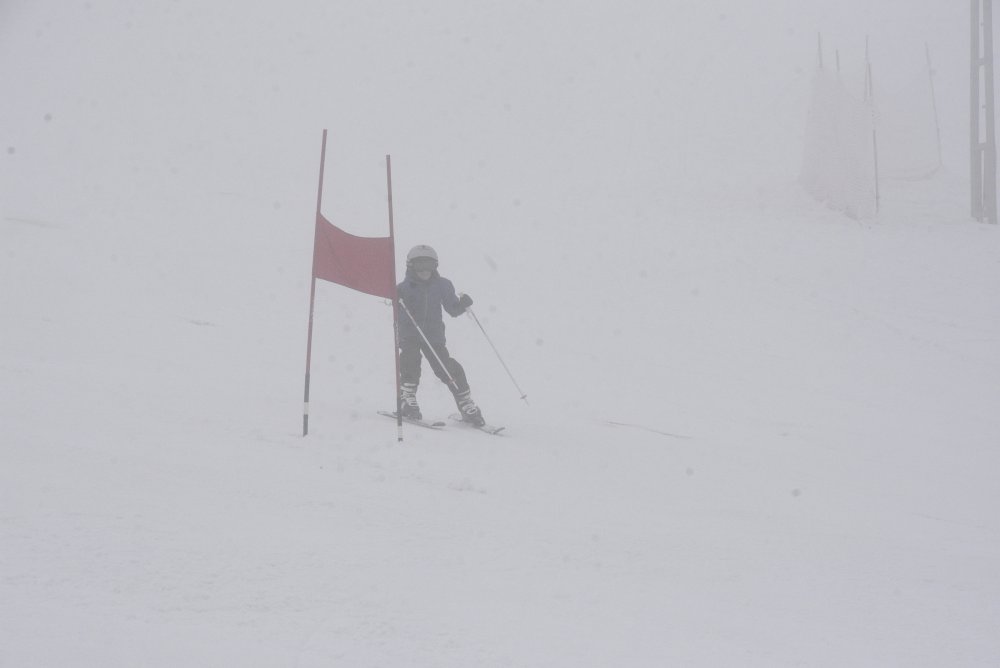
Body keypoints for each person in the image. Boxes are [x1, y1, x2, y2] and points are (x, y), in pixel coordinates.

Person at [396, 244, 486, 426]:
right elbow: (397, 310)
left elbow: (452, 309)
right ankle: (407, 400)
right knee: (410, 362)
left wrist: (462, 305)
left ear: (435, 266)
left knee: (446, 367)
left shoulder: (443, 285)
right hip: (410, 333)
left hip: (433, 335)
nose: (425, 270)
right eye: (420, 265)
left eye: (429, 265)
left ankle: (466, 403)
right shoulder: (403, 288)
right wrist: (395, 298)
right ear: (411, 266)